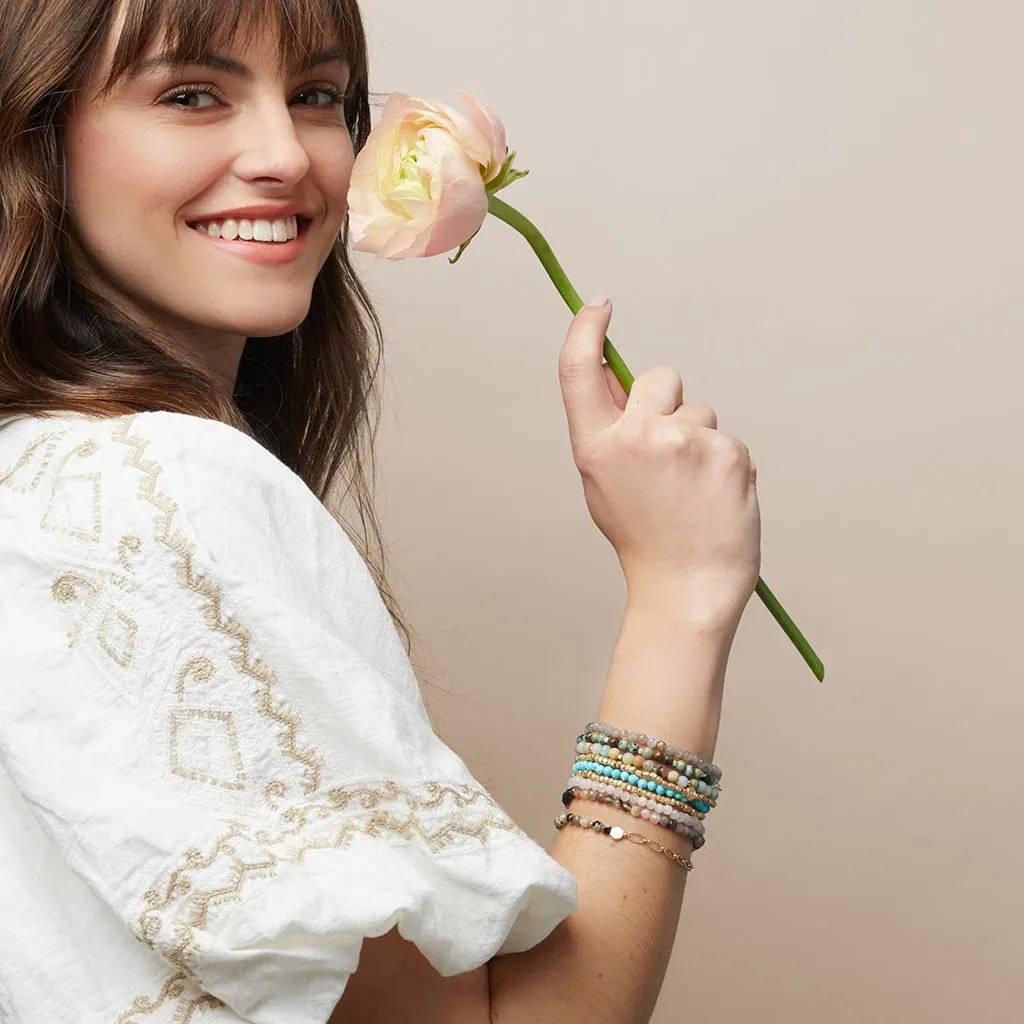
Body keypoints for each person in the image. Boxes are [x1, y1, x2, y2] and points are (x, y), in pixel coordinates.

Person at [0, 0, 761, 1021]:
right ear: (34, 138)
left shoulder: (38, 472)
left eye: (317, 95)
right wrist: (682, 597)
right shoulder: (153, 485)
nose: (288, 154)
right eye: (191, 95)